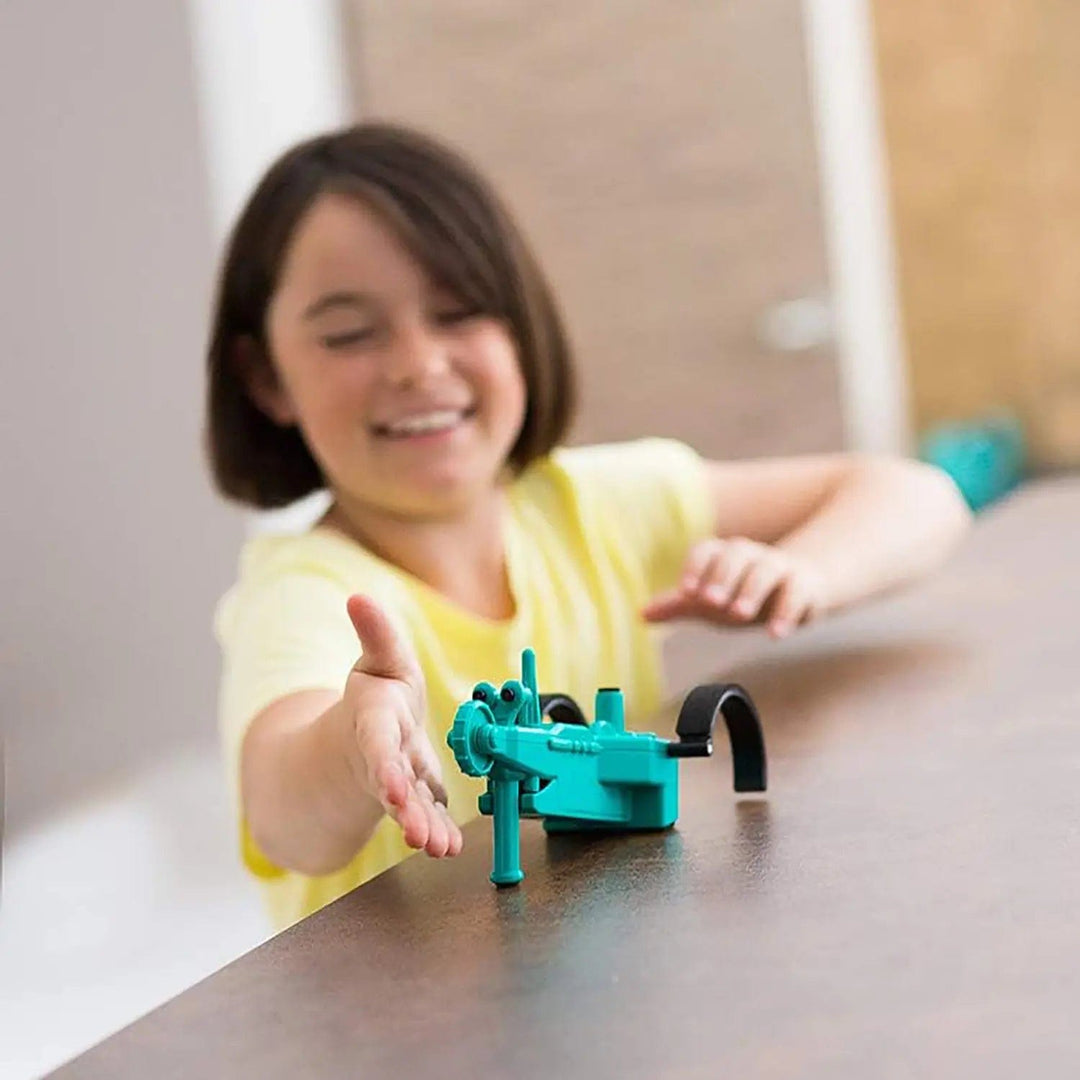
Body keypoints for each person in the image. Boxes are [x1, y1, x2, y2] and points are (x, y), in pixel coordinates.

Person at [207, 123, 970, 929]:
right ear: (266, 378)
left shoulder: (596, 502)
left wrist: (807, 572)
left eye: (460, 311)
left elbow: (917, 495)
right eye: (350, 334)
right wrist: (352, 748)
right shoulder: (302, 595)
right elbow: (285, 815)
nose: (418, 365)